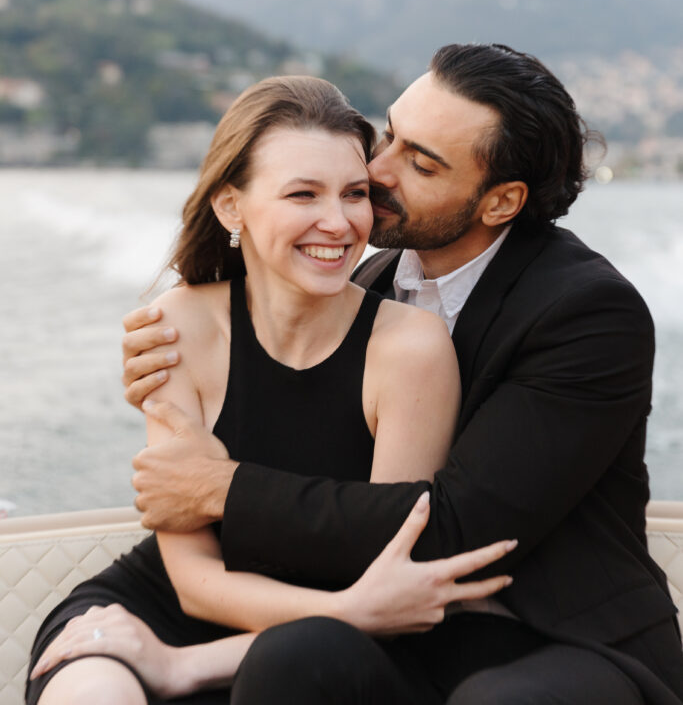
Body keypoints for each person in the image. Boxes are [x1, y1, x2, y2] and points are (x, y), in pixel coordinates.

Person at [120, 44, 683, 704]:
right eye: (389, 134)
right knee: (293, 658)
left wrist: (220, 489)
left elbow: (450, 529)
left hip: (560, 638)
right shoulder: (369, 277)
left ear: (499, 201)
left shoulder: (586, 314)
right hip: (403, 628)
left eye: (419, 162)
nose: (375, 169)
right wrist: (176, 358)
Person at [26, 75, 514, 705]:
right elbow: (194, 579)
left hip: (322, 646)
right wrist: (356, 610)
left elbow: (383, 569)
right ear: (232, 207)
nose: (338, 223)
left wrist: (187, 663)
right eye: (302, 194)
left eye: (355, 194)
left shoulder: (410, 349)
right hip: (169, 606)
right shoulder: (177, 326)